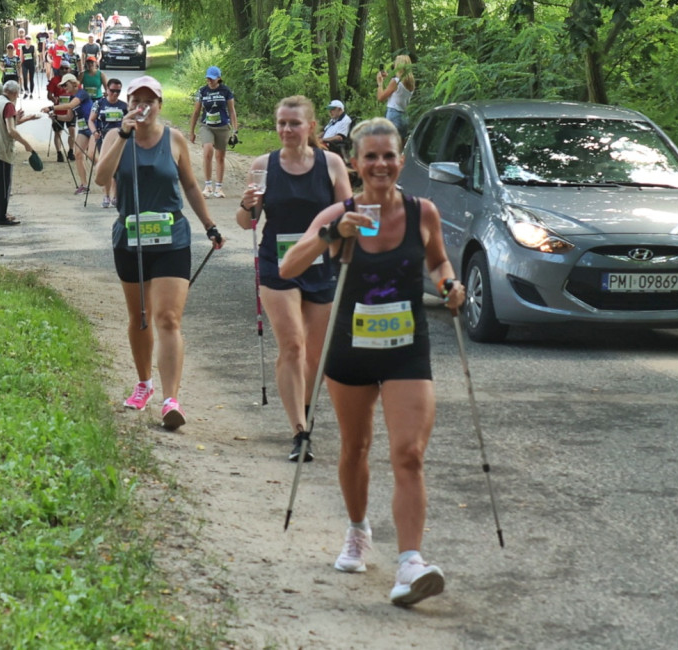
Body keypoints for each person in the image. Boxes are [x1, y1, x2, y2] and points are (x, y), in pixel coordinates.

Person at [279, 117, 466, 608]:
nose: (381, 164)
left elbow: (439, 262)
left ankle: (410, 563)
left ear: (401, 162)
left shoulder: (423, 212)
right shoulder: (338, 214)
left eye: (389, 156)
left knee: (409, 453)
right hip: (351, 349)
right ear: (356, 163)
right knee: (355, 448)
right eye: (371, 157)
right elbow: (287, 266)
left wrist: (449, 284)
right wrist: (331, 235)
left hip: (407, 349)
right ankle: (358, 531)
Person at [94, 75, 224, 430]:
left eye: (150, 100)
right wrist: (122, 134)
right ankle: (144, 384)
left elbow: (192, 186)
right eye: (137, 99)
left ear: (160, 105)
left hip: (172, 238)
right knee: (141, 316)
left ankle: (171, 400)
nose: (143, 106)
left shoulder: (174, 139)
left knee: (168, 318)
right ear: (129, 102)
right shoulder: (114, 136)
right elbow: (101, 177)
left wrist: (209, 225)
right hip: (130, 238)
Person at [235, 96, 352, 461]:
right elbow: (246, 223)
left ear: (311, 127)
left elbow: (347, 219)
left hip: (321, 265)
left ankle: (305, 408)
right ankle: (299, 431)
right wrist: (246, 204)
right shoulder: (263, 165)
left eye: (294, 123)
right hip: (277, 264)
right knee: (293, 345)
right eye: (281, 123)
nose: (286, 130)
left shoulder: (332, 164)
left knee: (316, 355)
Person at [0, 80, 39, 227]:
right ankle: (0, 217)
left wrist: (20, 118)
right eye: (17, 94)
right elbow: (11, 130)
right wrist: (27, 144)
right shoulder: (7, 105)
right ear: (14, 93)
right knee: (2, 185)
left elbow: (6, 124)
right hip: (0, 150)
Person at [188, 66, 238, 198]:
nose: (209, 80)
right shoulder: (202, 91)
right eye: (208, 78)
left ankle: (219, 188)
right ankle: (208, 185)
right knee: (208, 151)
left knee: (220, 157)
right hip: (207, 126)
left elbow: (232, 111)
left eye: (212, 78)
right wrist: (192, 131)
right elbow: (196, 112)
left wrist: (235, 130)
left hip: (222, 126)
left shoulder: (226, 91)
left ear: (219, 79)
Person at [88, 78, 127, 208]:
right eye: (112, 91)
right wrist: (94, 132)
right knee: (106, 166)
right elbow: (91, 120)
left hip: (119, 139)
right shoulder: (99, 104)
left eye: (118, 91)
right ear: (107, 90)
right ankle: (106, 196)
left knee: (117, 167)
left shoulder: (124, 106)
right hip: (103, 139)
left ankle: (115, 196)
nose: (115, 94)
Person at [45, 73, 92, 182]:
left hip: (93, 127)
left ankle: (111, 178)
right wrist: (56, 116)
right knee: (78, 155)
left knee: (92, 155)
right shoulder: (72, 97)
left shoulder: (82, 93)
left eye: (65, 85)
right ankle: (84, 185)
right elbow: (68, 116)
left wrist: (51, 107)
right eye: (62, 86)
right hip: (83, 129)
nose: (64, 88)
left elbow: (70, 106)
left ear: (73, 83)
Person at [376, 54, 416, 138]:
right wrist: (388, 77)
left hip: (393, 114)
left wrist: (380, 83)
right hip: (404, 116)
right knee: (400, 146)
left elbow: (380, 98)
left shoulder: (395, 82)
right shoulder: (411, 83)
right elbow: (397, 91)